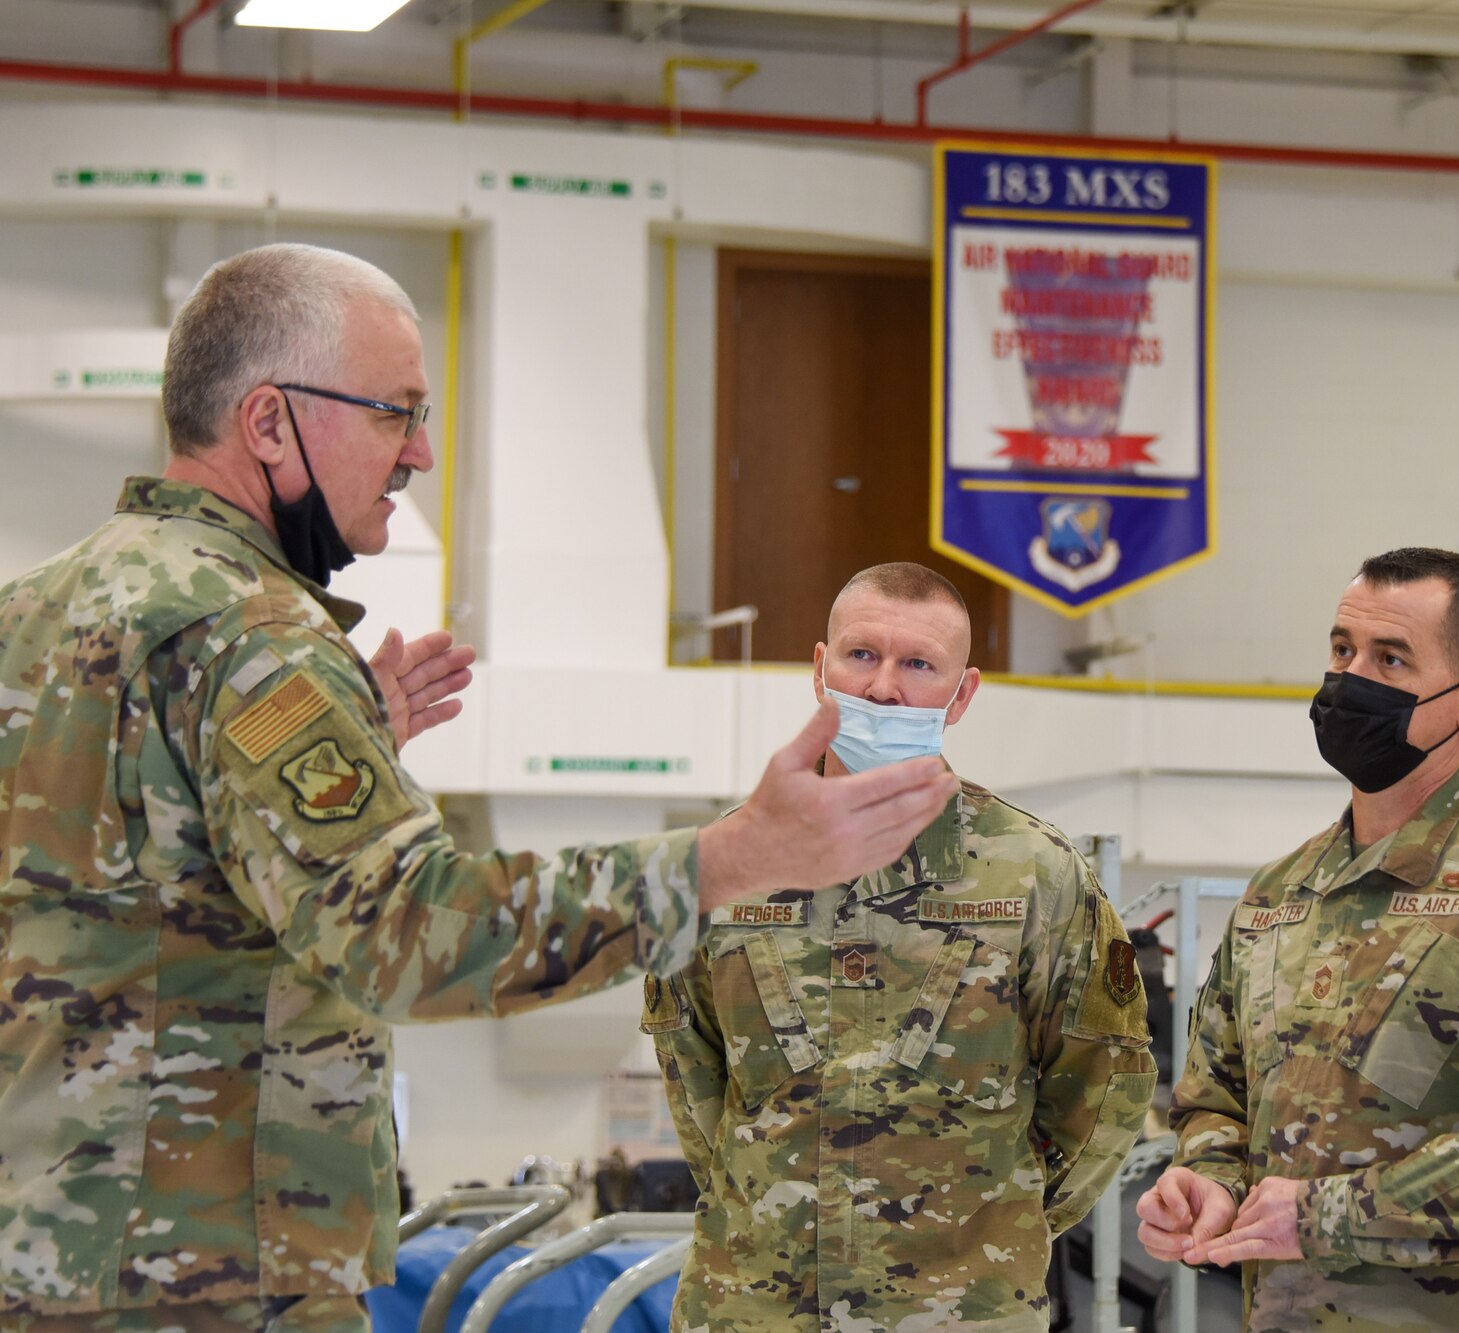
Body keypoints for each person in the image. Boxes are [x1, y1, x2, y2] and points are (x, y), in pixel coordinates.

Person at [0, 244, 957, 1333]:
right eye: (392, 412)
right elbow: (407, 930)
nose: (420, 451)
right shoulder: (248, 638)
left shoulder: (32, 616)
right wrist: (735, 855)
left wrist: (334, 743)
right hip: (209, 1280)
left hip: (45, 1261)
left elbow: (115, 879)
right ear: (267, 423)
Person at [647, 562, 1156, 1331]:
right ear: (820, 670)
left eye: (918, 664)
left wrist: (989, 1225)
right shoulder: (726, 864)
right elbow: (692, 1074)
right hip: (752, 1306)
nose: (884, 687)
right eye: (862, 655)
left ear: (962, 694)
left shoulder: (1034, 874)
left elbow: (1104, 1084)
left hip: (959, 1311)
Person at [1137, 548, 1459, 1332]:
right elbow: (1215, 1095)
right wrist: (1205, 1180)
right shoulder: (1277, 892)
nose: (1349, 678)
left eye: (1390, 658)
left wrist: (1327, 1215)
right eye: (1342, 649)